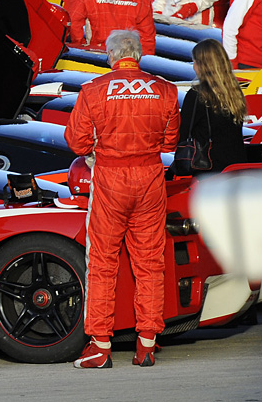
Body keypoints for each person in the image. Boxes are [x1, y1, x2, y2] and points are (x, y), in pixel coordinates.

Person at [66, 30, 179, 368]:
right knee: (150, 264)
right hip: (150, 178)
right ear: (139, 55)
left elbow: (76, 141)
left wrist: (98, 149)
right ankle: (146, 344)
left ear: (110, 55)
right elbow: (170, 143)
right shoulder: (166, 90)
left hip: (110, 179)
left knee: (101, 263)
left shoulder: (93, 90)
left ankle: (100, 346)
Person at [178, 39, 247, 173]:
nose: (193, 67)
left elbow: (182, 134)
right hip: (236, 166)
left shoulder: (197, 95)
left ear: (202, 65)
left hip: (208, 168)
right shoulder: (234, 91)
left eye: (195, 62)